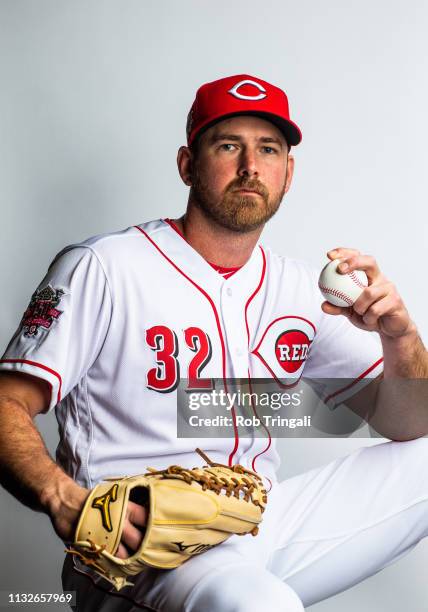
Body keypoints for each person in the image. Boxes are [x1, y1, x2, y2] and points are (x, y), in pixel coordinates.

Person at [0, 74, 427, 612]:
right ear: (187, 164)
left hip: (257, 524)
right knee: (260, 605)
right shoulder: (104, 267)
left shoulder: (297, 288)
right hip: (142, 548)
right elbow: (6, 399)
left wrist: (400, 336)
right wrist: (62, 499)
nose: (250, 166)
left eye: (268, 149)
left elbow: (411, 424)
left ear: (288, 173)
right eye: (228, 145)